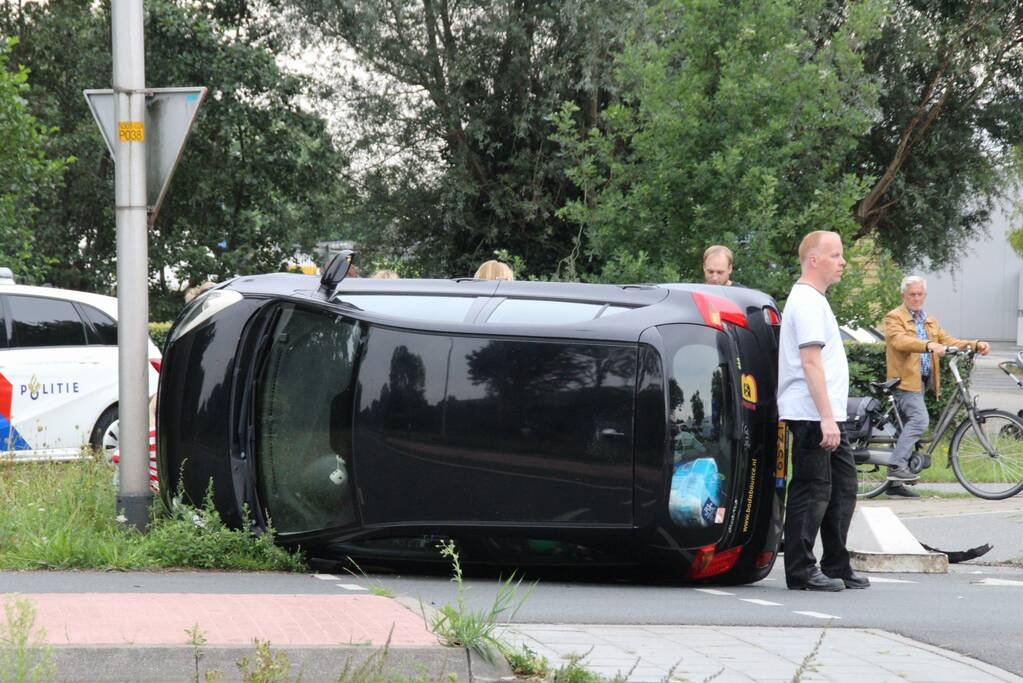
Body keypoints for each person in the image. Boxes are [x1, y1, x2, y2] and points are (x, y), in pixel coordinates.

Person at [777, 230, 866, 592]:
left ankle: (836, 563)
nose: (842, 261)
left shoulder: (816, 299)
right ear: (814, 260)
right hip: (814, 414)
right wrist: (827, 418)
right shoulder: (807, 301)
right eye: (835, 255)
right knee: (812, 489)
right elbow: (810, 361)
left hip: (826, 414)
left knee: (842, 487)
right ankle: (800, 571)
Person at [882, 276, 990, 497]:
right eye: (912, 294)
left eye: (920, 294)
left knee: (905, 430)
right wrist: (929, 345)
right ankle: (896, 466)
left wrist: (975, 344)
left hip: (921, 382)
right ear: (903, 295)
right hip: (903, 381)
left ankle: (894, 487)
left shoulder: (928, 320)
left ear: (925, 295)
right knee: (920, 421)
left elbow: (948, 340)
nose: (916, 298)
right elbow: (899, 341)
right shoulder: (895, 317)